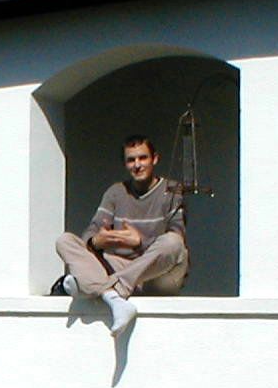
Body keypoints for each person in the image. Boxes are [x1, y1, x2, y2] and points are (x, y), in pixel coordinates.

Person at [54, 135, 188, 336]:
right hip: (122, 267)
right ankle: (112, 297)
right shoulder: (116, 192)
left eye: (143, 158)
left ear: (155, 159)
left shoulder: (172, 191)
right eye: (131, 160)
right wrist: (96, 241)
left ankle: (89, 286)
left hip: (158, 275)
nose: (137, 165)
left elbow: (177, 237)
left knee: (174, 243)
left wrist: (140, 243)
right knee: (65, 241)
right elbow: (90, 232)